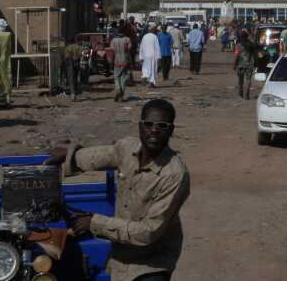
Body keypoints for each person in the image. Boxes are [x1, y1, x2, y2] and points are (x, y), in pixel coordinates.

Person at [46, 98, 191, 281]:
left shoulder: (175, 174)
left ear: (171, 130)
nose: (154, 130)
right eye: (149, 124)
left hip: (152, 261)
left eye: (162, 125)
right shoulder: (127, 148)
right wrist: (70, 156)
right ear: (140, 126)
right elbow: (99, 156)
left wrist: (94, 223)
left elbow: (149, 232)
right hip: (120, 253)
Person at [234, 30, 258, 100]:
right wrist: (256, 64)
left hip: (240, 65)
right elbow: (255, 55)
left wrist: (234, 65)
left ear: (241, 37)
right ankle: (247, 95)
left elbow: (236, 56)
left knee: (240, 80)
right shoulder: (251, 44)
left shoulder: (238, 45)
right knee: (248, 80)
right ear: (247, 37)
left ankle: (240, 94)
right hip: (249, 65)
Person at [110, 29, 133, 102]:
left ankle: (118, 89)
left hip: (117, 61)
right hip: (125, 61)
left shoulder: (113, 40)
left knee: (116, 77)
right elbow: (129, 48)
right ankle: (121, 94)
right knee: (123, 77)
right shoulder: (127, 39)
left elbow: (112, 49)